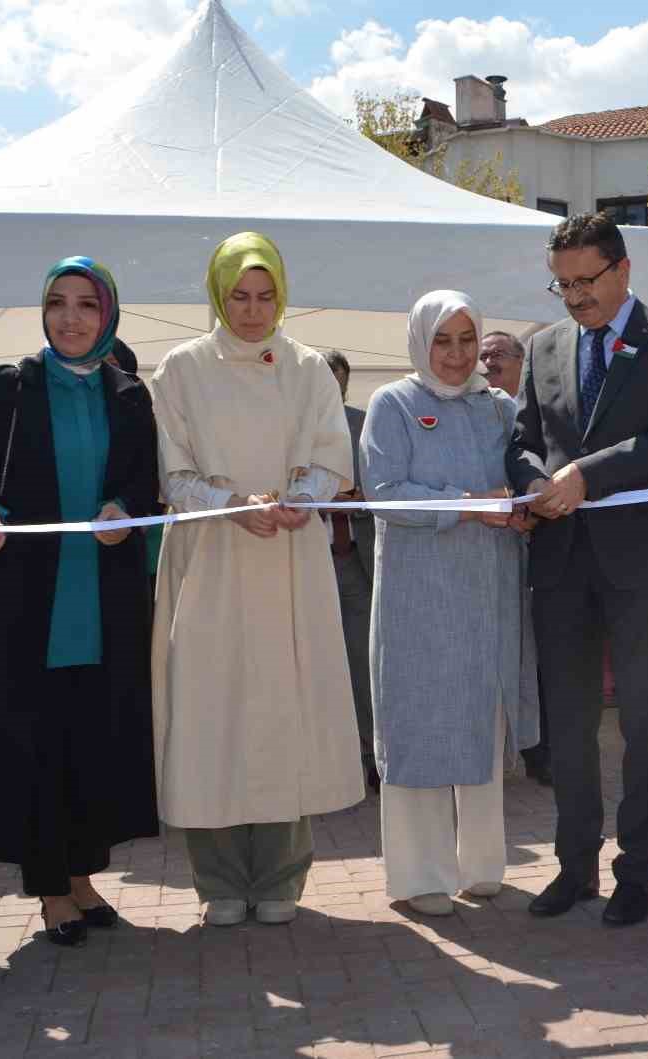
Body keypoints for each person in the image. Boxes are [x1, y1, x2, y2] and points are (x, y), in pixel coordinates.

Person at [149, 232, 364, 927]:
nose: (252, 309)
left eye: (265, 295)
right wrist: (230, 505)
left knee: (280, 714)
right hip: (209, 563)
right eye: (239, 295)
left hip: (287, 566)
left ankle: (280, 876)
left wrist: (303, 496)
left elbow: (335, 455)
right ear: (216, 294)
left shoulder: (307, 368)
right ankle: (216, 880)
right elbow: (172, 472)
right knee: (212, 715)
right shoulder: (180, 368)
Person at [505, 212, 648, 927]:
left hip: (642, 563)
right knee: (570, 726)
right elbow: (523, 439)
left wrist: (585, 475)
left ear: (623, 270)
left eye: (586, 281)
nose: (575, 297)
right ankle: (574, 866)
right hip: (560, 565)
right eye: (562, 285)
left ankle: (638, 872)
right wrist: (533, 482)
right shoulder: (543, 346)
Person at [0, 257, 161, 946]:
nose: (70, 317)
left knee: (89, 744)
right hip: (30, 605)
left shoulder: (129, 393)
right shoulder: (13, 387)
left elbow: (144, 484)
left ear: (108, 316)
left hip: (104, 604)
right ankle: (50, 889)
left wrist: (123, 506)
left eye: (85, 305)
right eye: (57, 302)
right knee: (37, 744)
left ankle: (80, 877)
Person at [364, 290, 539, 916]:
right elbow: (385, 492)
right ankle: (420, 877)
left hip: (487, 594)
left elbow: (520, 478)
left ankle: (482, 864)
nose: (458, 354)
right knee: (421, 726)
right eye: (443, 340)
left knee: (480, 727)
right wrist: (472, 504)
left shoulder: (499, 409)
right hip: (420, 600)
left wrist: (522, 511)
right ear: (419, 342)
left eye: (468, 340)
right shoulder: (393, 405)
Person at [481, 329, 554, 786]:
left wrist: (532, 512)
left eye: (498, 355)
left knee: (540, 656)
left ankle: (540, 753)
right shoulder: (478, 412)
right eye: (483, 355)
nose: (488, 362)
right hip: (488, 550)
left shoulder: (539, 408)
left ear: (522, 362)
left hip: (538, 547)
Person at [323, 349, 378, 789]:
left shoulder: (365, 424)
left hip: (357, 562)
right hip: (308, 564)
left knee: (363, 664)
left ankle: (371, 754)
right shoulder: (291, 427)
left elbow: (383, 488)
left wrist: (359, 501)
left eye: (339, 381)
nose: (333, 389)